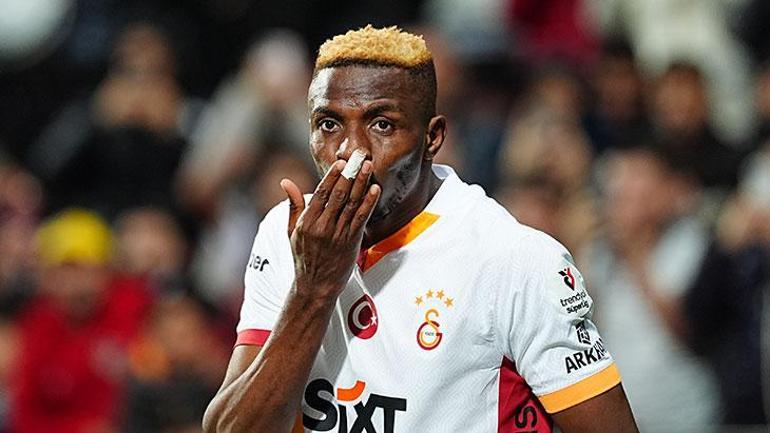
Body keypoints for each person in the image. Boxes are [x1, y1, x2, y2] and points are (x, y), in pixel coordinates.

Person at [203, 25, 638, 433]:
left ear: (433, 138)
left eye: (382, 125)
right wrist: (311, 290)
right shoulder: (285, 233)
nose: (351, 152)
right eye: (329, 124)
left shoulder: (514, 259)